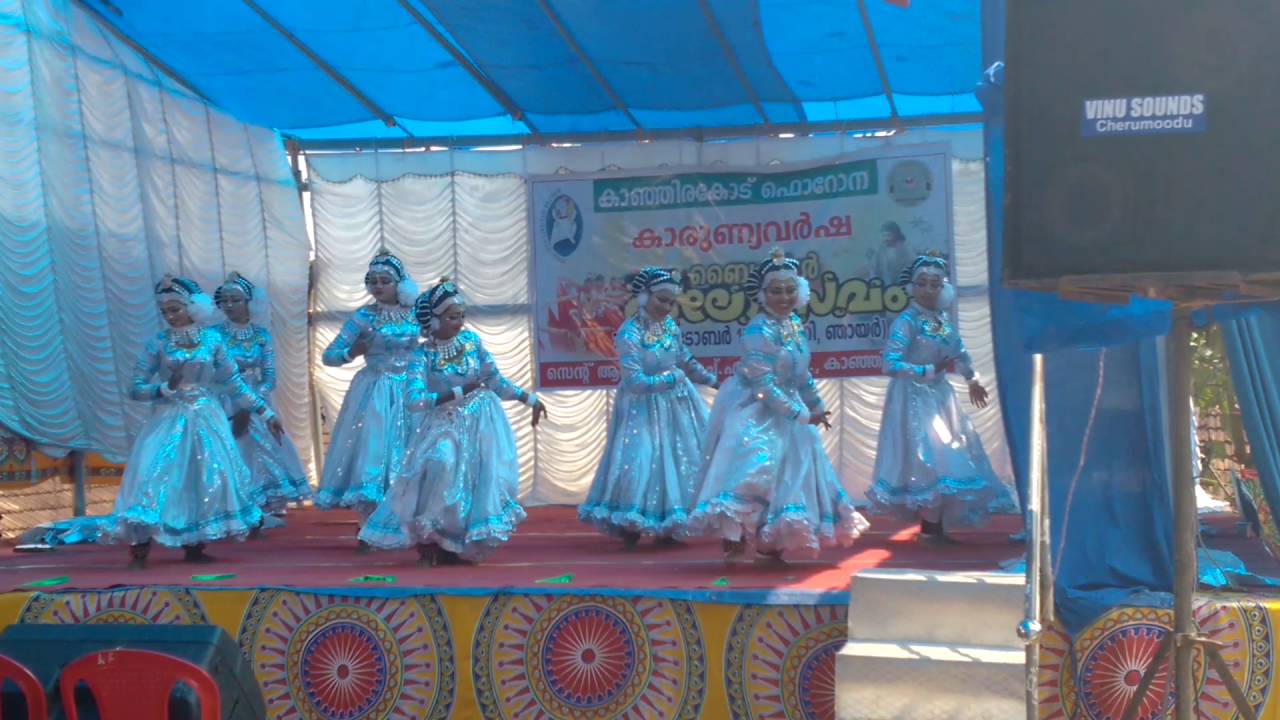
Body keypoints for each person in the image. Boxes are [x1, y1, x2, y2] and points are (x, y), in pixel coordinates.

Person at [689, 249, 869, 564]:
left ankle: (769, 540)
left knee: (792, 475)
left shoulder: (795, 325)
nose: (783, 297)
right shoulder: (758, 330)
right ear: (762, 295)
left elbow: (801, 375)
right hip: (755, 409)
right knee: (754, 469)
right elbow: (763, 386)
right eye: (775, 290)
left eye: (789, 290)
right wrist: (801, 414)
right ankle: (733, 538)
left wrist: (816, 406)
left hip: (789, 410)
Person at [358, 280, 545, 565]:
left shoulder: (471, 343)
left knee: (474, 482)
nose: (459, 322)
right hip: (443, 423)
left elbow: (494, 379)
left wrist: (528, 399)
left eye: (461, 316)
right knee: (440, 464)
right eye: (452, 316)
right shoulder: (422, 356)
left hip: (479, 422)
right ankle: (431, 538)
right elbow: (415, 400)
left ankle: (456, 543)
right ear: (433, 320)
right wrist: (460, 391)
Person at [114, 275, 281, 568]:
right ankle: (140, 547)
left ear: (193, 308)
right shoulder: (159, 343)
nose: (169, 316)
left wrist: (266, 414)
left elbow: (235, 384)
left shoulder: (213, 340)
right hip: (169, 417)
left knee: (202, 477)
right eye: (165, 311)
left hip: (206, 417)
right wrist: (164, 389)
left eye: (175, 309)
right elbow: (135, 387)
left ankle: (195, 544)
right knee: (154, 475)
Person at [866, 252, 1017, 543]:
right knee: (926, 456)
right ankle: (930, 526)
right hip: (911, 398)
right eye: (922, 283)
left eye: (935, 284)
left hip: (939, 396)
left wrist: (972, 379)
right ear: (912, 287)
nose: (929, 289)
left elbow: (958, 352)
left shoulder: (942, 321)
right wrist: (926, 370)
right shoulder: (906, 322)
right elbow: (890, 364)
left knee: (949, 453)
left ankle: (936, 525)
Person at [579, 268, 719, 549]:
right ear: (645, 297)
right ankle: (630, 522)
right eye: (662, 300)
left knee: (676, 460)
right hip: (641, 406)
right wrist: (673, 377)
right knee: (639, 458)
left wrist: (715, 382)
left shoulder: (669, 327)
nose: (667, 307)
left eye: (671, 302)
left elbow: (686, 360)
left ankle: (669, 524)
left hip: (676, 406)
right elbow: (635, 382)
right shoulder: (629, 333)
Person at [315, 251, 419, 549]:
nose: (377, 286)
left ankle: (406, 523)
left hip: (412, 390)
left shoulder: (416, 313)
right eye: (372, 281)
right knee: (375, 454)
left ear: (401, 284)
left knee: (410, 452)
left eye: (385, 280)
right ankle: (369, 526)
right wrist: (353, 351)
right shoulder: (363, 316)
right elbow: (329, 356)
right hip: (375, 391)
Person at [213, 272, 311, 524]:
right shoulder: (213, 335)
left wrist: (255, 402)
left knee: (265, 445)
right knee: (232, 446)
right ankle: (233, 503)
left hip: (257, 397)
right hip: (225, 398)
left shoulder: (261, 335)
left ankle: (269, 501)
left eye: (236, 299)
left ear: (249, 302)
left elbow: (270, 375)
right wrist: (239, 403)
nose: (230, 305)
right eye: (225, 300)